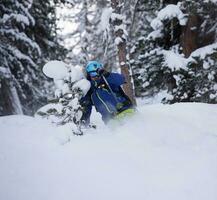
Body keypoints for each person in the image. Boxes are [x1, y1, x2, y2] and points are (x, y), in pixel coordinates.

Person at [80, 61, 135, 126]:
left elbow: (121, 79)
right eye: (92, 74)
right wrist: (84, 122)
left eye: (96, 73)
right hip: (110, 120)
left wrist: (107, 75)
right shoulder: (90, 90)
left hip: (125, 110)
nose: (95, 76)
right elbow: (86, 106)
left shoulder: (107, 80)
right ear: (88, 75)